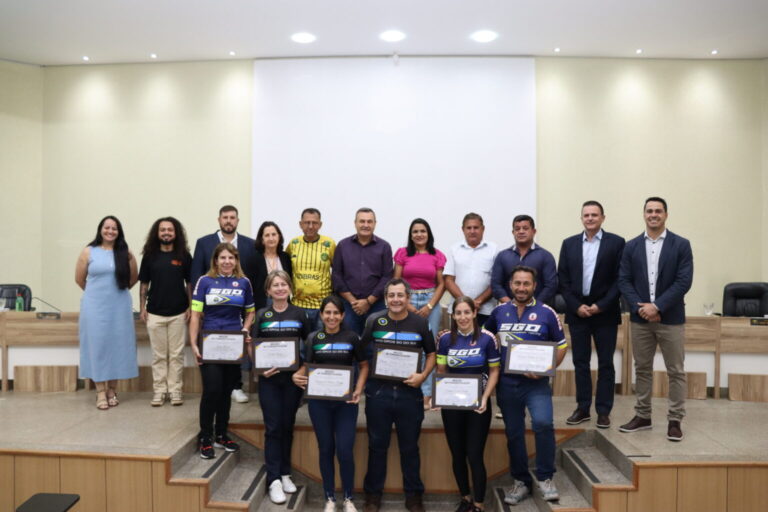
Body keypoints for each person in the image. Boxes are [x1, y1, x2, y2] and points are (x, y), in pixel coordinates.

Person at [484, 266, 567, 506]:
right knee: (514, 432)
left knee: (543, 423)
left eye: (526, 284)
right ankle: (520, 480)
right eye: (517, 283)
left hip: (536, 384)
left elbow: (562, 346)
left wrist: (546, 368)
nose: (521, 288)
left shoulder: (547, 313)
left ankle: (545, 477)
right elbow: (486, 340)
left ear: (534, 286)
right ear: (511, 285)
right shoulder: (499, 312)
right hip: (507, 384)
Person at [618, 197, 693, 442]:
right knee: (642, 369)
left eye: (658, 211)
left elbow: (683, 281)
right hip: (640, 319)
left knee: (676, 370)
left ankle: (675, 420)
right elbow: (624, 280)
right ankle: (643, 416)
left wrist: (657, 306)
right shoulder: (631, 246)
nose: (653, 214)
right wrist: (642, 308)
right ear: (644, 214)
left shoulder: (681, 245)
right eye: (649, 211)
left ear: (666, 215)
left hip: (671, 318)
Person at [362, 278, 435, 512]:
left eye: (400, 295)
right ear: (386, 299)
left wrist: (423, 376)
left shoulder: (420, 323)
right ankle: (372, 496)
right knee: (376, 446)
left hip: (409, 395)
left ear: (408, 297)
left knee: (410, 448)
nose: (396, 299)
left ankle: (414, 496)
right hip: (378, 394)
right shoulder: (374, 321)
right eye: (391, 295)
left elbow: (431, 354)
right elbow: (362, 355)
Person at [292, 295, 368, 512]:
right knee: (325, 449)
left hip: (346, 403)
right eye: (328, 312)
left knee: (344, 450)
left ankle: (348, 498)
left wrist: (358, 389)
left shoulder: (352, 337)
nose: (331, 317)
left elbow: (364, 366)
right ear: (321, 315)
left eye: (336, 313)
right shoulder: (313, 338)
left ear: (342, 316)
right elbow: (307, 366)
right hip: (319, 404)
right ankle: (330, 498)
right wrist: (296, 376)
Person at [558, 201, 625, 428]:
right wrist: (576, 306)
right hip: (578, 312)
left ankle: (604, 411)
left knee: (606, 363)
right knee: (580, 362)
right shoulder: (569, 244)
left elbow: (620, 279)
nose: (590, 218)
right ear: (581, 218)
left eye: (594, 215)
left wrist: (601, 306)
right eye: (586, 215)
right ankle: (583, 408)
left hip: (605, 312)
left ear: (602, 218)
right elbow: (563, 280)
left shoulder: (616, 243)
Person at [190, 243, 255, 459]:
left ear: (236, 261)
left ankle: (221, 434)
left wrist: (245, 329)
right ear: (216, 260)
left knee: (226, 391)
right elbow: (195, 315)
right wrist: (194, 344)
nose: (227, 261)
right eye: (223, 258)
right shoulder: (204, 281)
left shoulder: (244, 282)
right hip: (210, 344)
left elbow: (250, 312)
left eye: (231, 258)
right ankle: (205, 437)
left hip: (234, 345)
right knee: (212, 390)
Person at [436, 296, 500, 512]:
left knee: (474, 454)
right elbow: (441, 371)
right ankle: (465, 498)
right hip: (452, 405)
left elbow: (494, 371)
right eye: (458, 313)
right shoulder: (445, 339)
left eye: (466, 312)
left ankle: (479, 503)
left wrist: (485, 397)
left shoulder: (487, 338)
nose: (462, 317)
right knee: (457, 454)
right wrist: (439, 396)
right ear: (453, 316)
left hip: (477, 405)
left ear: (474, 313)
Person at [253, 270, 312, 504]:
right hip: (269, 380)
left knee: (287, 425)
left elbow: (310, 345)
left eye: (283, 284)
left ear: (290, 288)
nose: (280, 288)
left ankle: (285, 473)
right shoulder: (262, 314)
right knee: (273, 427)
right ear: (268, 290)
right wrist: (259, 369)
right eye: (275, 285)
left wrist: (303, 370)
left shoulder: (300, 314)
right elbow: (253, 346)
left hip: (292, 380)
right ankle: (274, 479)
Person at [191, 205, 256, 403]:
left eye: (232, 217)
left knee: (230, 376)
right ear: (219, 220)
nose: (229, 220)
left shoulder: (250, 245)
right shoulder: (203, 243)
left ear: (237, 220)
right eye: (225, 217)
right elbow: (195, 276)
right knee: (213, 386)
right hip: (210, 321)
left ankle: (236, 388)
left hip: (235, 322)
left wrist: (246, 327)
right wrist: (198, 310)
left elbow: (251, 285)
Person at [75, 215, 139, 410]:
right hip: (94, 307)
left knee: (117, 346)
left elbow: (133, 278)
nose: (110, 231)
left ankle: (112, 389)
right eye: (107, 227)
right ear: (100, 229)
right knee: (98, 346)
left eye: (114, 228)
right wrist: (97, 295)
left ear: (119, 232)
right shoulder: (88, 251)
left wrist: (114, 293)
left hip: (119, 306)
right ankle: (100, 391)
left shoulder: (125, 252)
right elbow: (79, 279)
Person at [139, 216, 193, 407]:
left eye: (170, 230)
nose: (166, 233)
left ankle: (175, 390)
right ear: (157, 233)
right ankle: (160, 391)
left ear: (176, 233)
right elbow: (144, 284)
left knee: (177, 355)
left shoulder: (184, 255)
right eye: (163, 230)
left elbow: (190, 283)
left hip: (179, 313)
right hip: (154, 313)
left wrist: (191, 306)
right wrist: (142, 307)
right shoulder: (150, 256)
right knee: (159, 356)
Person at [394, 217, 446, 408]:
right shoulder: (402, 253)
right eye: (415, 231)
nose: (419, 234)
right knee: (406, 345)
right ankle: (405, 389)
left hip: (430, 301)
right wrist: (407, 305)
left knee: (428, 348)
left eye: (422, 231)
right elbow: (396, 281)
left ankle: (426, 395)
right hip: (406, 301)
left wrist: (430, 306)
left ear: (428, 234)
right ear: (410, 235)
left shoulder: (437, 255)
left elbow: (441, 284)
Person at [332, 207, 393, 335]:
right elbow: (337, 276)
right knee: (349, 341)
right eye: (362, 221)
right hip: (348, 306)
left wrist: (368, 301)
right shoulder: (343, 245)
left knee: (375, 342)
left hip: (376, 305)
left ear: (375, 224)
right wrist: (354, 302)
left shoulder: (384, 247)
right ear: (355, 223)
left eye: (369, 221)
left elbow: (387, 277)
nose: (366, 225)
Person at [444, 212, 498, 327]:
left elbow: (496, 281)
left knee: (484, 338)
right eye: (469, 228)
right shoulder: (454, 249)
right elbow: (448, 280)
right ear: (463, 229)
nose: (472, 231)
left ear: (483, 229)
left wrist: (478, 301)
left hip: (486, 310)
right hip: (459, 311)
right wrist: (465, 303)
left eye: (476, 227)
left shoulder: (493, 250)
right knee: (458, 339)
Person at [491, 215, 558, 306]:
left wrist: (534, 306)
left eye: (525, 228)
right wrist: (510, 305)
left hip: (537, 309)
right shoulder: (502, 256)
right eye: (517, 229)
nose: (521, 231)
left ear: (534, 231)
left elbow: (551, 286)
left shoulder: (545, 256)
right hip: (509, 309)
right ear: (513, 232)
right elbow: (496, 285)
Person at [286, 208, 336, 329]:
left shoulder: (329, 244)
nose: (310, 226)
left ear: (320, 224)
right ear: (300, 224)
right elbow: (285, 269)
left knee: (320, 339)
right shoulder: (293, 244)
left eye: (314, 223)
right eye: (307, 222)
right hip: (298, 305)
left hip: (322, 307)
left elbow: (338, 271)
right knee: (299, 340)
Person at [248, 221, 292, 310]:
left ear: (279, 237)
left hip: (284, 304)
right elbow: (250, 286)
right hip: (262, 306)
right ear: (262, 239)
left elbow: (289, 280)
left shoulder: (285, 257)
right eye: (267, 235)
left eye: (274, 234)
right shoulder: (254, 259)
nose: (271, 238)